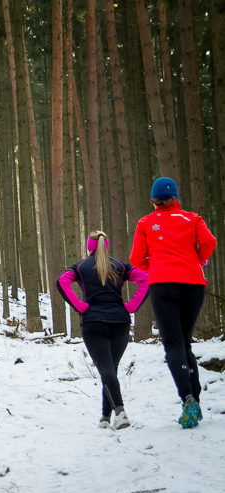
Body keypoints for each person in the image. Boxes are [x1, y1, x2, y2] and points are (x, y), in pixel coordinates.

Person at [129, 177, 217, 428]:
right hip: (193, 284)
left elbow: (135, 259)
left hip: (163, 285)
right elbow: (210, 243)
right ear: (175, 197)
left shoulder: (145, 223)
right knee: (184, 342)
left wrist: (155, 266)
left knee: (173, 343)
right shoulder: (193, 218)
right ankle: (196, 401)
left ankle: (188, 398)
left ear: (153, 199)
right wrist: (197, 260)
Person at [57, 231, 149, 430]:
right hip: (120, 322)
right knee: (110, 369)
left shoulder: (81, 267)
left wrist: (80, 307)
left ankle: (120, 412)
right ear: (106, 246)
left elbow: (61, 281)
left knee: (106, 368)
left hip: (93, 323)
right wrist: (131, 307)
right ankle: (105, 418)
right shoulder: (120, 265)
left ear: (89, 247)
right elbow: (146, 279)